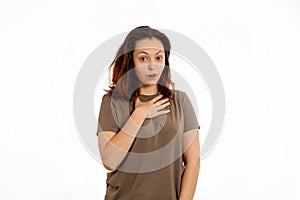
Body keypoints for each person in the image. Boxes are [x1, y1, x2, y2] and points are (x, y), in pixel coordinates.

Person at [96, 26, 201, 200]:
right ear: (131, 61)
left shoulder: (180, 101)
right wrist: (140, 114)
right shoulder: (112, 102)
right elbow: (110, 161)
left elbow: (193, 163)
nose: (152, 65)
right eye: (143, 58)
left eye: (158, 57)